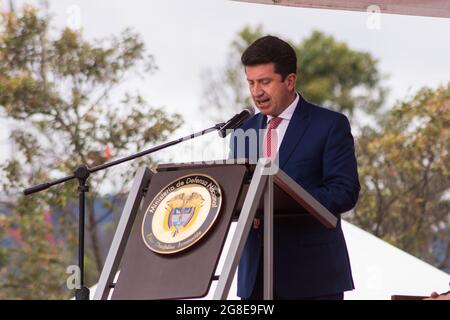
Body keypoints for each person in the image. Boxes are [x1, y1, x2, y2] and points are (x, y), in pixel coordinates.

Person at [229, 35, 360, 300]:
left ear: (290, 81)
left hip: (312, 278)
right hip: (255, 279)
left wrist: (285, 201)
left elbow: (345, 191)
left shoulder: (330, 125)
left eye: (265, 82)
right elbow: (239, 193)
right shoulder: (243, 131)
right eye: (251, 83)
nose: (256, 92)